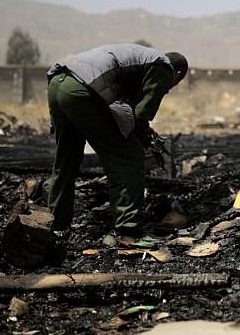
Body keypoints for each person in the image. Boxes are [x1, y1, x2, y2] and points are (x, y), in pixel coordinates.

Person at [46, 43, 188, 237]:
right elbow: (140, 115)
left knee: (67, 159)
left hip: (57, 82)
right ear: (178, 75)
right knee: (128, 155)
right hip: (81, 90)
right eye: (173, 85)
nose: (169, 89)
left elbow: (120, 107)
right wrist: (144, 138)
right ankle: (129, 228)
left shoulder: (140, 61)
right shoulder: (163, 67)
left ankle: (57, 225)